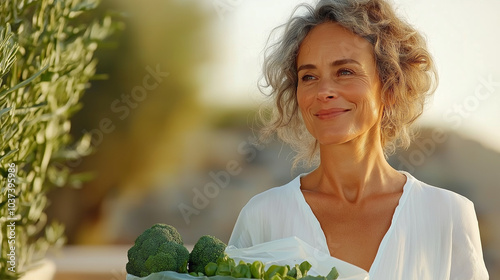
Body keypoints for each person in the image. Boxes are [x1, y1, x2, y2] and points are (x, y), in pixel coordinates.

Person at [227, 0, 489, 279]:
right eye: (309, 76)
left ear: (390, 85)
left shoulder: (447, 215)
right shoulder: (263, 217)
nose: (324, 90)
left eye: (345, 71)